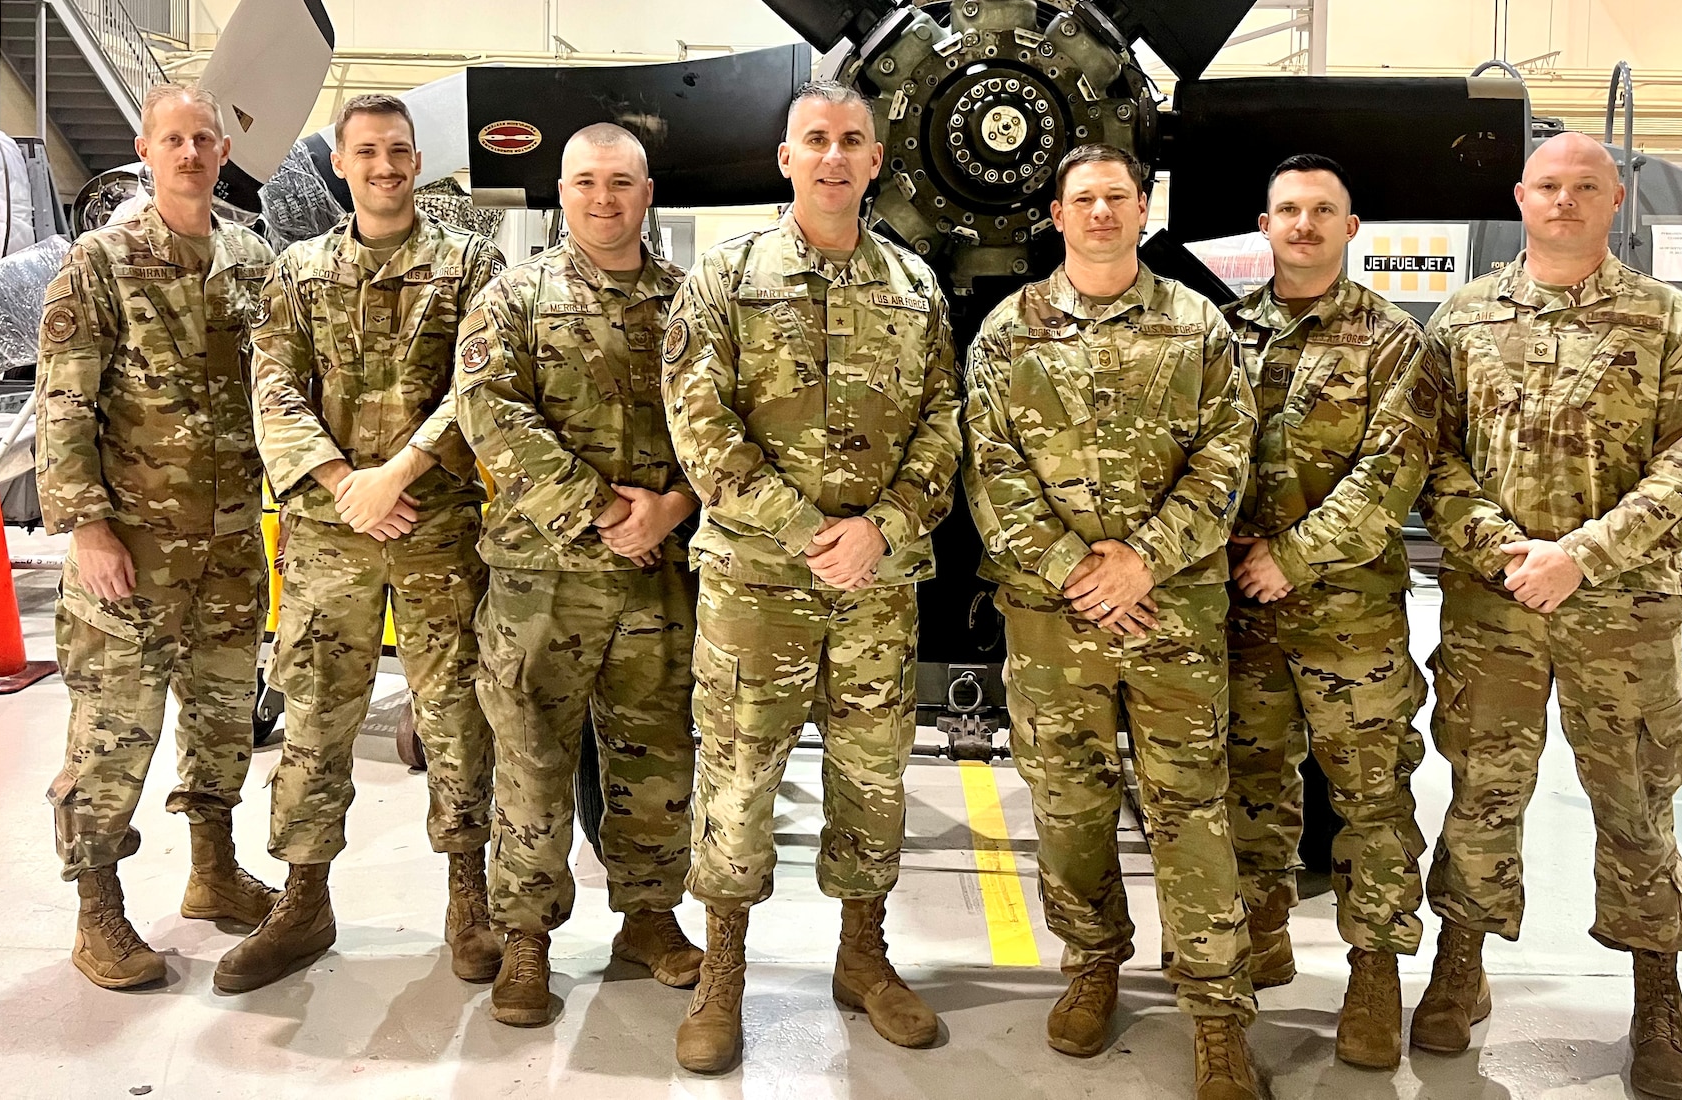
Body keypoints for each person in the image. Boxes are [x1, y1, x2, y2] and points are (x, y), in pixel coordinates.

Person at [1415, 130, 1682, 1100]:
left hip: (1622, 615)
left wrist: (1578, 556)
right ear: (1519, 198)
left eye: (1582, 187)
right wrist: (1501, 552)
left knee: (1635, 807)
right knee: (1480, 793)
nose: (1562, 201)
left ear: (1612, 203)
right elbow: (1431, 461)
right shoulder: (1462, 321)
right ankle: (1458, 967)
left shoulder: (1669, 324)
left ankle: (1655, 999)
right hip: (1495, 608)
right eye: (1547, 186)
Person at [660, 81, 963, 1075]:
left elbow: (942, 430)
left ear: (876, 161)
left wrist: (880, 527)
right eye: (814, 141)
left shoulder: (915, 289)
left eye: (850, 141)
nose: (833, 157)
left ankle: (862, 956)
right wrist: (803, 529)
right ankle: (724, 972)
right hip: (755, 588)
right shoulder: (725, 279)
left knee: (872, 779)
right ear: (784, 159)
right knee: (738, 781)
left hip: (875, 587)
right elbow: (699, 428)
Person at [963, 144, 1266, 1100]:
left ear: (1144, 210)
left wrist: (1144, 559)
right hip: (1053, 620)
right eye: (1083, 199)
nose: (1101, 212)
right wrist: (1072, 569)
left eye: (1117, 198)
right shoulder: (1008, 334)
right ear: (1056, 215)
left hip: (1172, 610)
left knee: (1190, 809)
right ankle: (1092, 961)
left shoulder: (1198, 327)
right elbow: (989, 468)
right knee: (1069, 806)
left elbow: (1228, 456)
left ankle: (1216, 1011)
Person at [214, 93, 505, 993]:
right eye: (368, 151)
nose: (385, 166)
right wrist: (347, 486)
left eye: (400, 150)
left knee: (458, 715)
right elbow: (274, 388)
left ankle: (468, 897)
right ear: (340, 164)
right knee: (314, 715)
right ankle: (304, 899)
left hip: (436, 529)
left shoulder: (469, 264)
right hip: (329, 536)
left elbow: (482, 386)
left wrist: (397, 477)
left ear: (418, 161)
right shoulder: (297, 272)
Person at [454, 123, 704, 1027]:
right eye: (587, 182)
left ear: (648, 194)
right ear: (561, 193)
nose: (604, 198)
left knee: (656, 753)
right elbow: (491, 416)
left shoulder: (692, 302)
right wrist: (601, 509)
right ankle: (525, 938)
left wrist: (672, 507)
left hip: (659, 577)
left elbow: (727, 417)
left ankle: (648, 916)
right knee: (530, 758)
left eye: (622, 183)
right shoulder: (514, 298)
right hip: (542, 579)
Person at [37, 81, 280, 989]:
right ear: (145, 152)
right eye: (171, 139)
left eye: (203, 139)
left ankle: (212, 870)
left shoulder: (253, 263)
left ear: (223, 154)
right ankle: (97, 908)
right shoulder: (99, 262)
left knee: (223, 720)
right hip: (131, 549)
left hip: (227, 544)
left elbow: (280, 396)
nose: (188, 154)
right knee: (112, 731)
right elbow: (62, 403)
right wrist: (87, 526)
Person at [1222, 154, 1440, 1070]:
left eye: (1322, 211)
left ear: (1352, 230)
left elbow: (1392, 474)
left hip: (1348, 612)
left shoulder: (1397, 342)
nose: (1303, 225)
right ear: (1264, 227)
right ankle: (1262, 927)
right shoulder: (1224, 334)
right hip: (1236, 606)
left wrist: (1292, 556)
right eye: (1287, 211)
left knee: (1370, 794)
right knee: (1247, 778)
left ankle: (1376, 971)